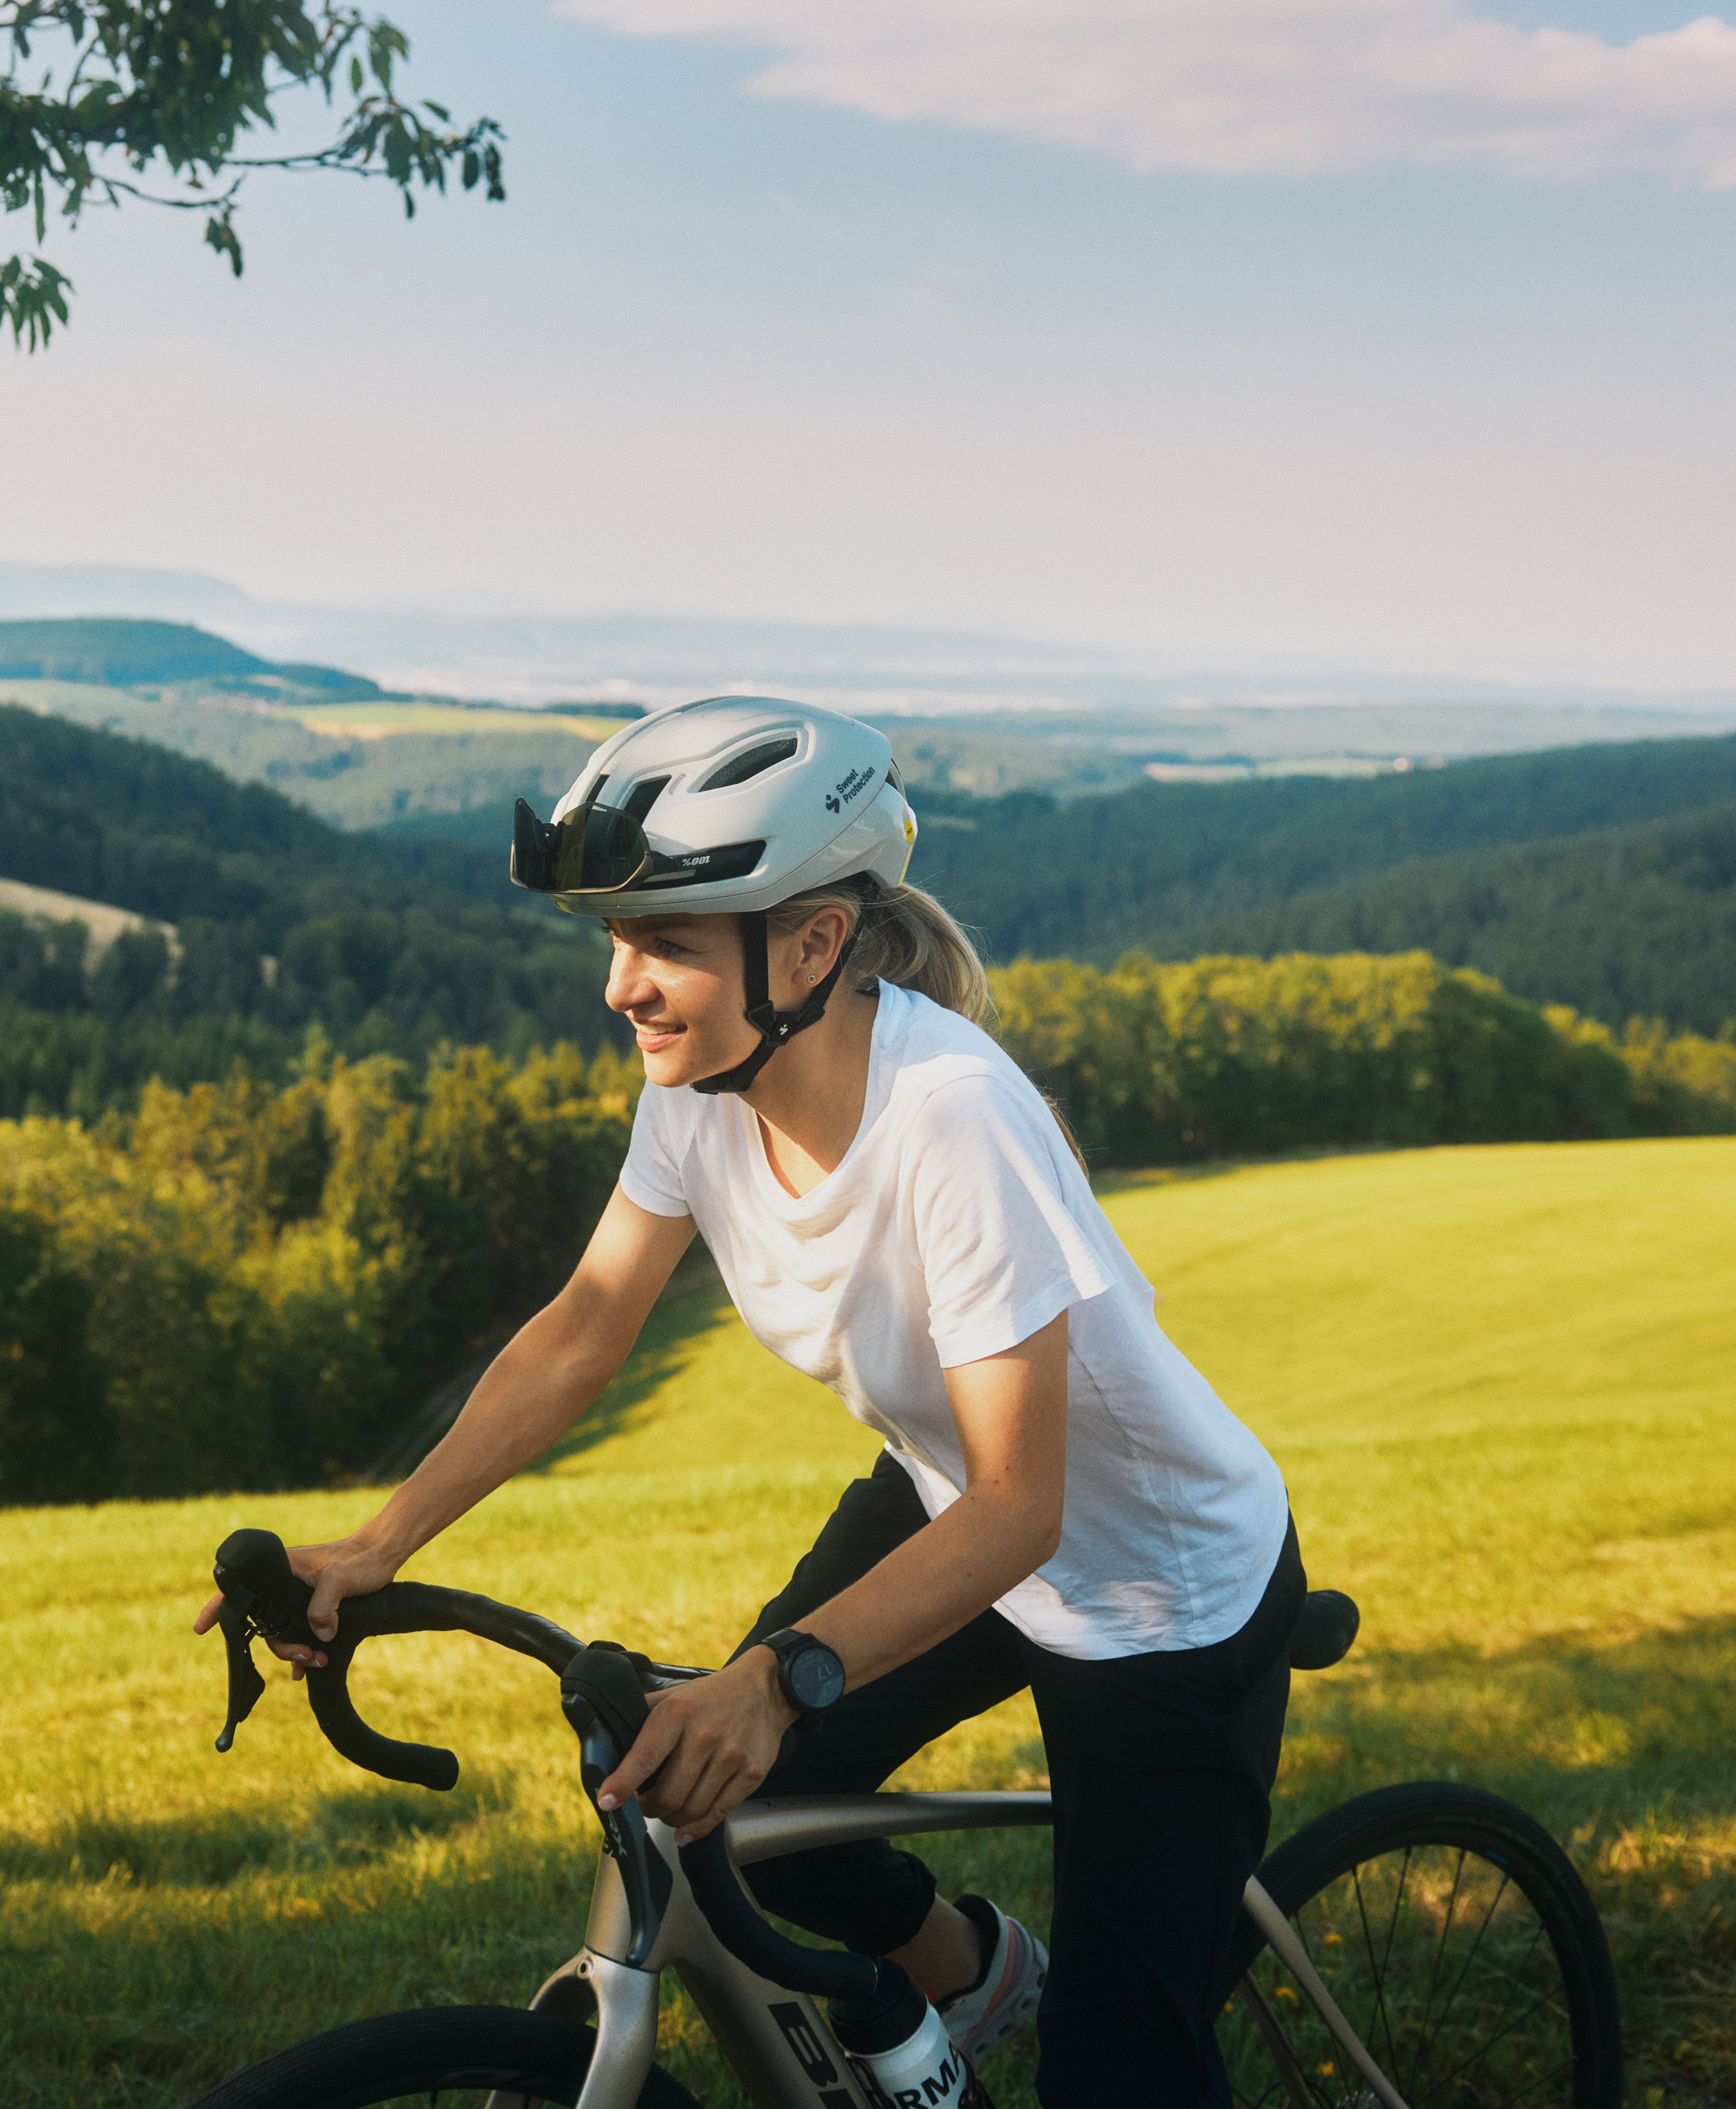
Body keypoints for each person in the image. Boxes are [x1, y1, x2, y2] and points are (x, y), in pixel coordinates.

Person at [194, 696, 1300, 2108]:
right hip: (952, 1501)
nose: (621, 987)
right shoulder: (708, 1086)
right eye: (615, 941)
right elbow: (584, 1330)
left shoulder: (950, 1114)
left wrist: (778, 1680)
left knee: (1121, 2072)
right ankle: (966, 1972)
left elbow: (1033, 1506)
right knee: (727, 1797)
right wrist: (374, 1546)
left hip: (1157, 1588)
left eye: (662, 943)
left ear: (815, 943)